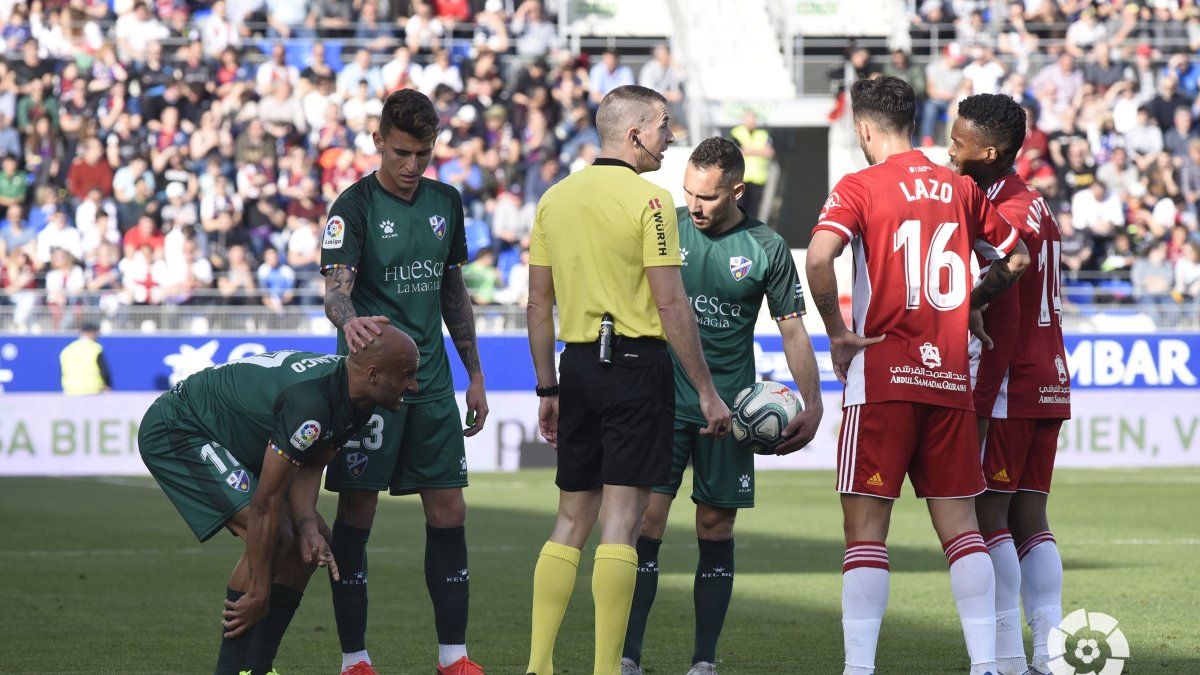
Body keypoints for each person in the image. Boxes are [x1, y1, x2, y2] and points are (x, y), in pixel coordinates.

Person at [805, 76, 1030, 675]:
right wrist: (976, 302)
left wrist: (837, 331)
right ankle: (986, 666)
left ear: (864, 128)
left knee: (866, 534)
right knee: (962, 533)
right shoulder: (959, 187)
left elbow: (820, 257)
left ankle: (859, 669)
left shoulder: (859, 186)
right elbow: (1017, 256)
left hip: (881, 377)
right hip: (950, 381)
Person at [525, 84, 731, 675]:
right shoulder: (652, 202)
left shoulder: (554, 199)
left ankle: (538, 666)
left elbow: (538, 306)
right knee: (621, 525)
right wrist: (707, 391)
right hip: (637, 367)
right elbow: (671, 305)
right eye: (664, 125)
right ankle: (604, 669)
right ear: (635, 132)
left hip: (578, 367)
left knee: (569, 521)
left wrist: (548, 387)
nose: (671, 137)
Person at [620, 138, 823, 675]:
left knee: (715, 527)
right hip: (661, 404)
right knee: (645, 525)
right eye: (688, 193)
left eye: (707, 197)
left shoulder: (767, 246)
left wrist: (815, 402)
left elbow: (794, 332)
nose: (695, 206)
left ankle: (704, 661)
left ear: (736, 190)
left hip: (730, 415)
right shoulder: (666, 227)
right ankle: (626, 657)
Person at [138, 323, 419, 675]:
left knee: (312, 543)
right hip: (180, 427)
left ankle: (257, 667)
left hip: (235, 435)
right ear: (375, 374)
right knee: (275, 537)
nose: (414, 385)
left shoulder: (358, 396)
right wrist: (258, 589)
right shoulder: (312, 402)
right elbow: (264, 504)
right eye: (407, 375)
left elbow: (312, 462)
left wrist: (308, 523)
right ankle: (231, 670)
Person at [320, 88, 489, 675]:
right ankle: (355, 659)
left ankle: (454, 657)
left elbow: (452, 293)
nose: (413, 166)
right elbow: (335, 292)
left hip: (436, 381)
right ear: (378, 142)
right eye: (401, 153)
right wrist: (351, 321)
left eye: (423, 153)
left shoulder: (446, 201)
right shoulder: (354, 206)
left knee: (449, 511)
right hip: (371, 383)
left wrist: (475, 373)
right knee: (357, 516)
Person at [950, 93, 1072, 675]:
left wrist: (961, 305)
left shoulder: (1007, 204)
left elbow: (1007, 270)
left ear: (988, 151)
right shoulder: (1035, 202)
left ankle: (1007, 657)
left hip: (1011, 376)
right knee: (1030, 516)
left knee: (987, 515)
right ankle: (1047, 654)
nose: (951, 152)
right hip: (1048, 372)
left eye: (958, 142)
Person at [729, 109, 773, 217]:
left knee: (754, 210)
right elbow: (738, 150)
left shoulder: (763, 134)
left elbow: (770, 152)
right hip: (741, 178)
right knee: (739, 208)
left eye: (753, 118)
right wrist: (759, 151)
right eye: (749, 118)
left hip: (758, 178)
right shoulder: (735, 132)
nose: (751, 121)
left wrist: (749, 150)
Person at [59, 322, 112, 395]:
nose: (97, 335)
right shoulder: (95, 348)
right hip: (93, 391)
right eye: (95, 333)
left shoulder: (67, 350)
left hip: (70, 391)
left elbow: (62, 372)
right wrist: (107, 385)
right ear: (90, 333)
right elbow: (104, 371)